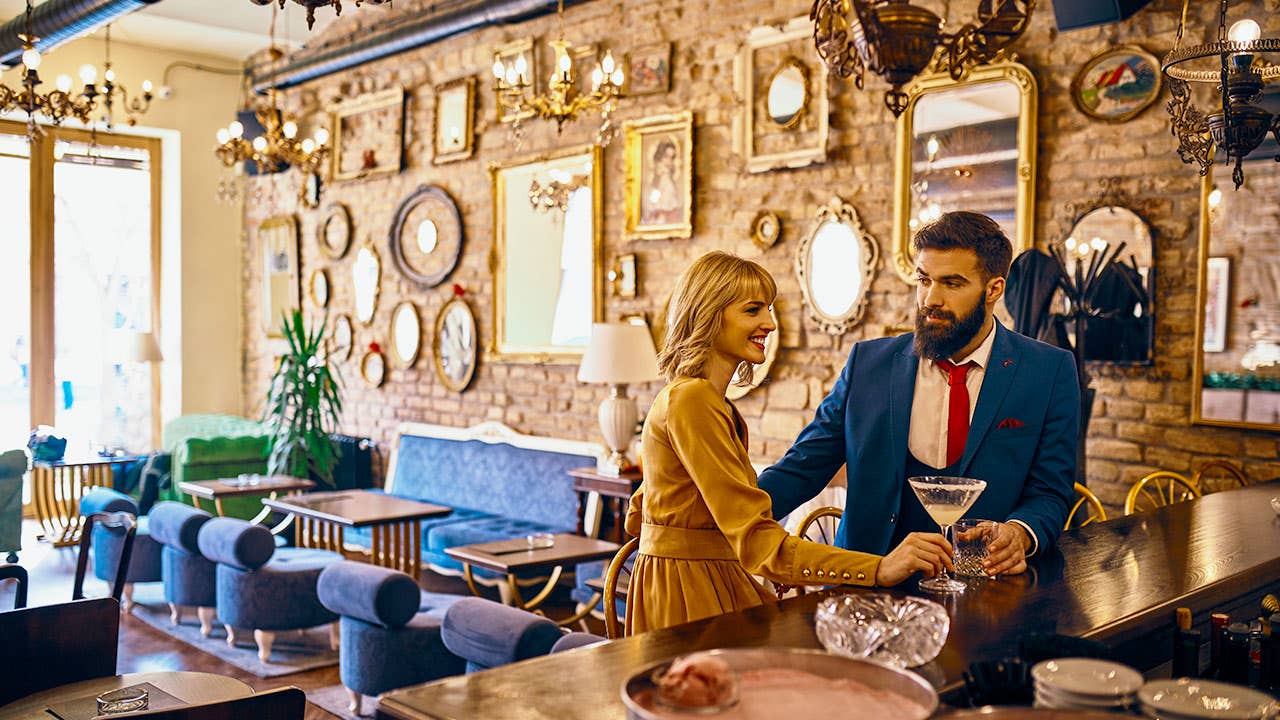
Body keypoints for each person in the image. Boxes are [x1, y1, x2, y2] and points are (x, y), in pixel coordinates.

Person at [623, 251, 954, 634]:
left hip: (700, 576)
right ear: (709, 316)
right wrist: (878, 567)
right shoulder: (693, 400)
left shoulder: (700, 399)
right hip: (690, 591)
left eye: (768, 309)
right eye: (752, 310)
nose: (768, 323)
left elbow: (643, 509)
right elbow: (754, 539)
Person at [759, 212, 1079, 577]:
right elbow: (802, 468)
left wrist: (1020, 533)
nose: (931, 299)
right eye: (923, 280)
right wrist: (722, 513)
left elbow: (1050, 492)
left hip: (986, 591)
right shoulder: (867, 364)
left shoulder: (1048, 371)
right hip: (870, 584)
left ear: (994, 289)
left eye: (952, 283)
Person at [640, 139, 681, 225]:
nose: (668, 161)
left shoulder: (670, 177)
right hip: (660, 212)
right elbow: (654, 194)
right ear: (660, 157)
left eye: (671, 158)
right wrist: (655, 205)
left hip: (670, 210)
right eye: (666, 157)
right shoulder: (657, 175)